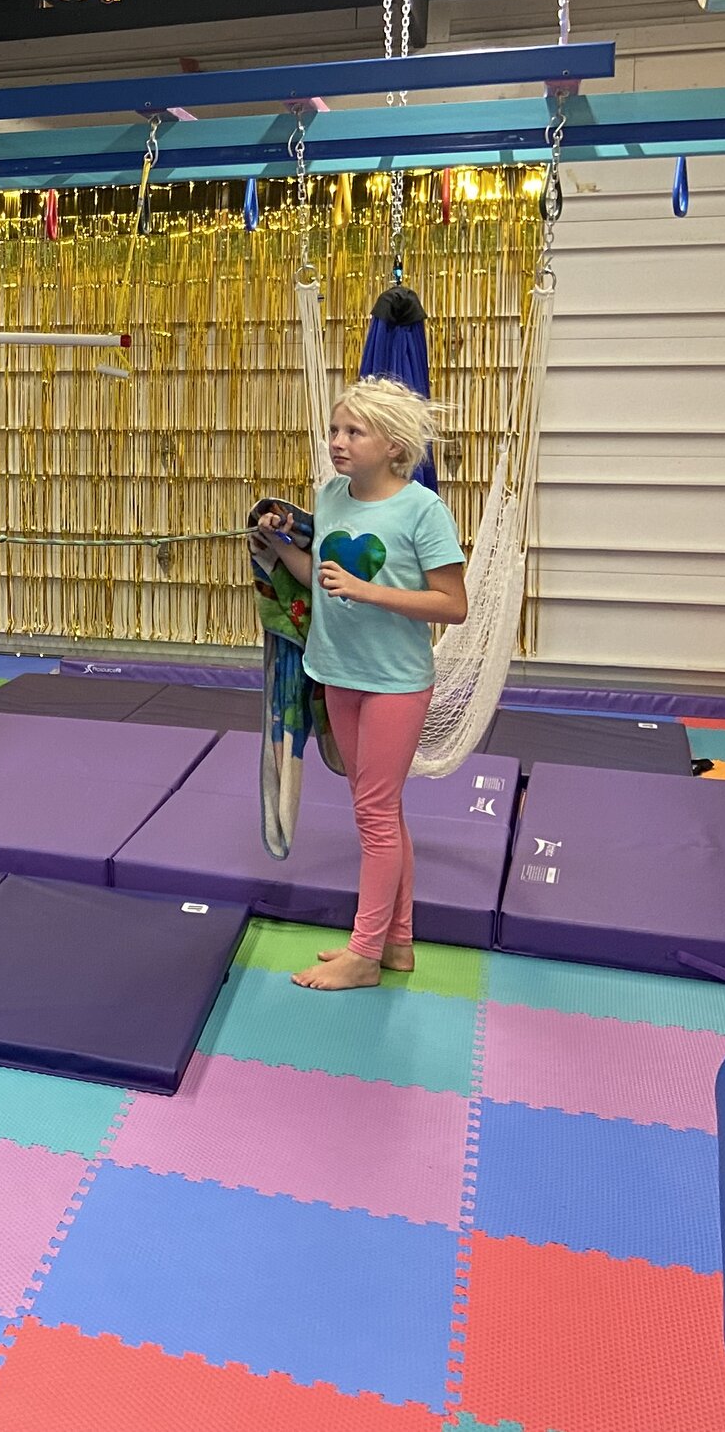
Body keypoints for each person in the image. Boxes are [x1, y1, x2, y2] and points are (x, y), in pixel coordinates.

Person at [252, 376, 468, 991]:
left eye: (354, 432)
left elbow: (453, 606)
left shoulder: (423, 510)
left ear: (394, 445)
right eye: (336, 429)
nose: (338, 442)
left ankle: (363, 952)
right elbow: (320, 574)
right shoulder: (333, 495)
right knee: (381, 809)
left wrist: (369, 591)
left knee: (373, 815)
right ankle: (396, 943)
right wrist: (276, 543)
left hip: (395, 683)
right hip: (335, 673)